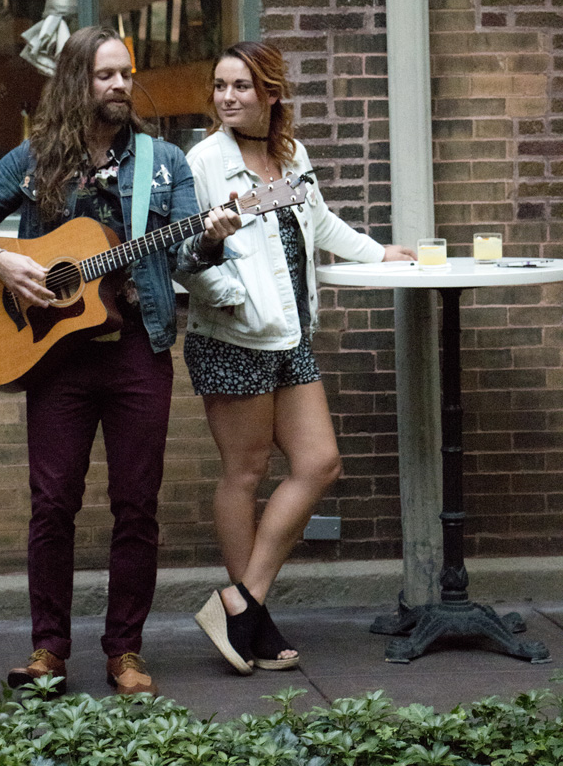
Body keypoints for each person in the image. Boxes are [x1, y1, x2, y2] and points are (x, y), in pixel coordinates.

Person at [0, 25, 240, 697]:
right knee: (52, 505)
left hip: (139, 350)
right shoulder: (36, 158)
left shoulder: (164, 162)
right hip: (58, 361)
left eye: (125, 74)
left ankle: (124, 652)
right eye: (105, 74)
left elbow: (186, 259)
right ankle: (48, 649)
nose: (119, 86)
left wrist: (214, 240)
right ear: (77, 82)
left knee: (136, 506)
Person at [179, 41, 415, 675]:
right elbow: (186, 255)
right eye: (221, 85)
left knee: (319, 462)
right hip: (234, 337)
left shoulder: (290, 155)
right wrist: (235, 300)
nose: (228, 97)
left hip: (291, 334)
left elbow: (321, 221)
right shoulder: (202, 162)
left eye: (242, 86)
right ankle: (252, 619)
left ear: (271, 94)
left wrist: (376, 252)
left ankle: (242, 603)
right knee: (246, 472)